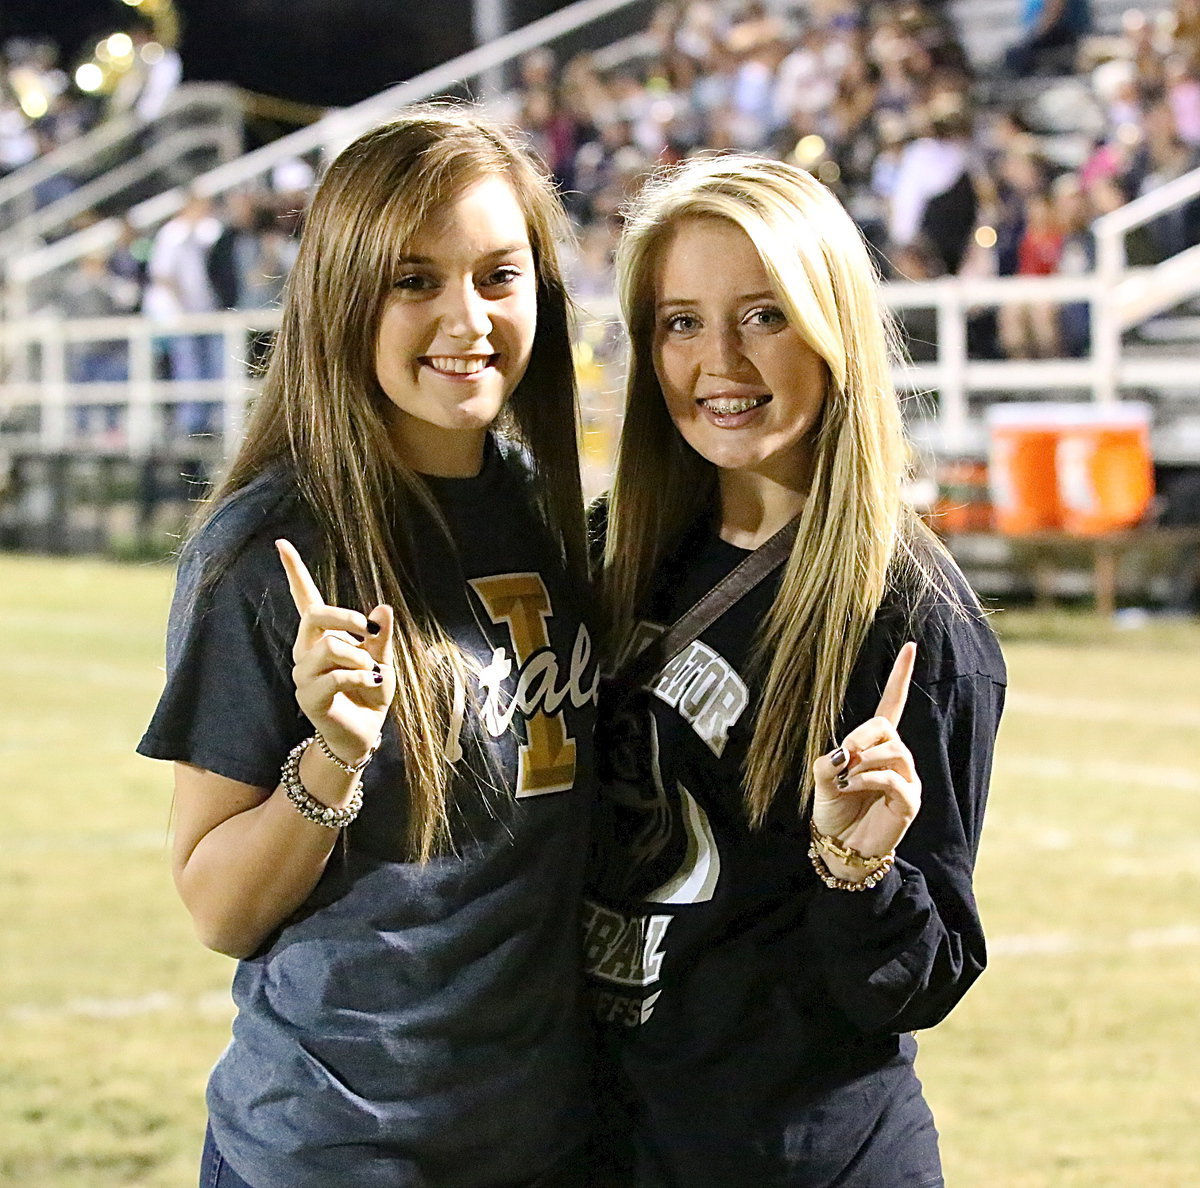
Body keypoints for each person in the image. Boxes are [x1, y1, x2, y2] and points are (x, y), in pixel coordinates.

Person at [136, 107, 597, 1188]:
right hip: (337, 1153)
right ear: (344, 295)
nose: (467, 318)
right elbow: (218, 906)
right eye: (413, 280)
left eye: (499, 276)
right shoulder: (271, 549)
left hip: (546, 1140)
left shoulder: (547, 515)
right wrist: (333, 758)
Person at [584, 155, 1006, 1186]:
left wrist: (858, 869)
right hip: (607, 1144)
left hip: (793, 1160)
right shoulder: (608, 552)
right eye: (682, 322)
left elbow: (915, 983)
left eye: (763, 316)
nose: (718, 360)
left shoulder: (908, 618)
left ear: (832, 329)